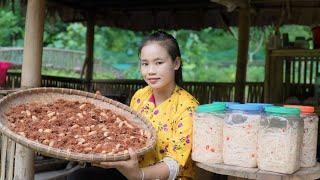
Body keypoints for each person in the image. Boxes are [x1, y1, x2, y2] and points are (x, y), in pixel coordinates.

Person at [68, 31, 198, 180]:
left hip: (160, 177)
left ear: (176, 63)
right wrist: (100, 117)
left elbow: (173, 165)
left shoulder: (188, 108)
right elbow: (127, 135)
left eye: (159, 63)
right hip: (132, 173)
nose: (150, 71)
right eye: (145, 63)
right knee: (79, 176)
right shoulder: (140, 96)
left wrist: (139, 175)